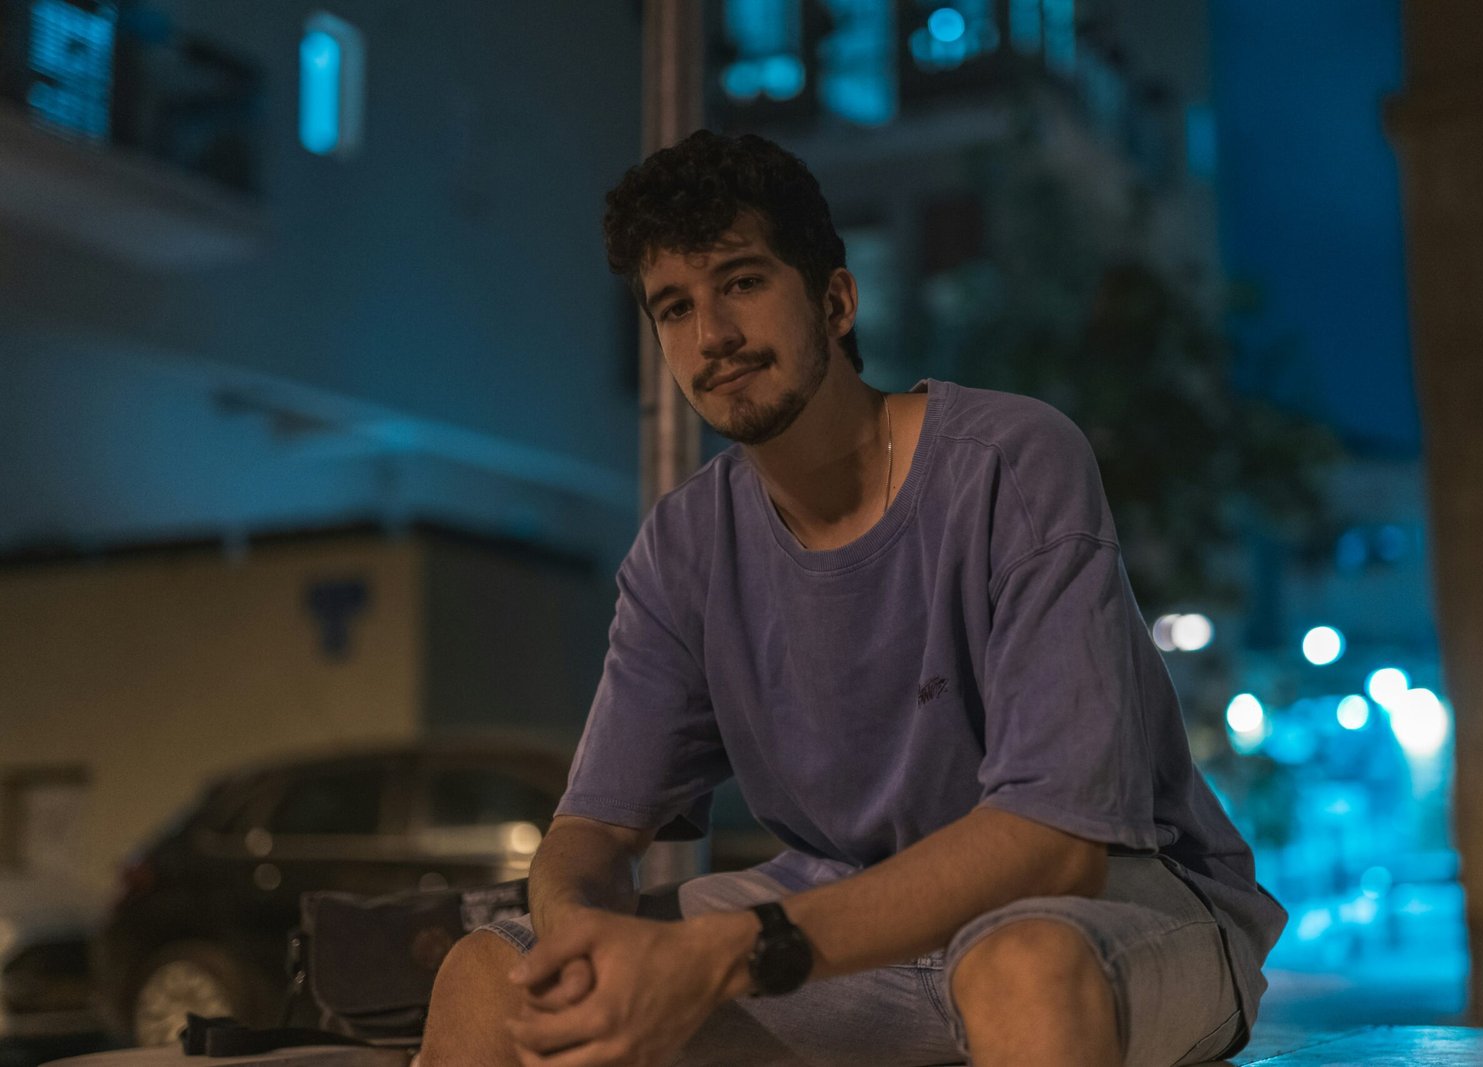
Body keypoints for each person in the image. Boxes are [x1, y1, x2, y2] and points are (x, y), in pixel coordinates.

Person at [419, 130, 1286, 1067]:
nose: (712, 335)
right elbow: (589, 831)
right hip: (833, 924)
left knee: (1023, 971)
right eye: (675, 306)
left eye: (743, 282)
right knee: (489, 978)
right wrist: (583, 939)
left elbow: (1056, 842)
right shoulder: (684, 545)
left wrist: (723, 952)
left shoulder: (1012, 461)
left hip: (1109, 901)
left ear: (835, 300)